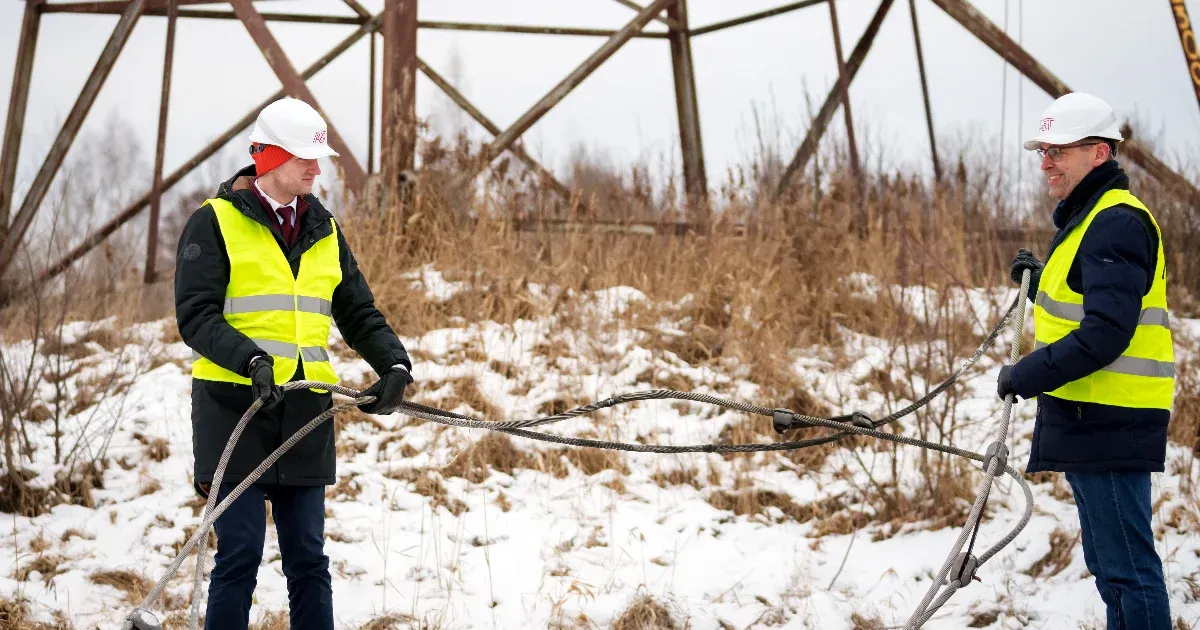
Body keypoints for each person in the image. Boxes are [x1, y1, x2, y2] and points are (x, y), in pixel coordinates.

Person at [174, 97, 415, 630]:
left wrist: (394, 366)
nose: (317, 167)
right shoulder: (211, 224)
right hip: (233, 409)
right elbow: (195, 316)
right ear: (268, 158)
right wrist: (250, 360)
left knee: (308, 557)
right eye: (306, 156)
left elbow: (357, 311)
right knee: (238, 555)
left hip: (305, 409)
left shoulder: (324, 229)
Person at [999, 93, 1173, 629]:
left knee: (1127, 572)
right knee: (1111, 568)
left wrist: (1025, 375)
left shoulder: (1115, 221)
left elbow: (1105, 334)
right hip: (1092, 418)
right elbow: (1088, 309)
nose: (1046, 161)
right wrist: (1037, 285)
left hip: (1110, 422)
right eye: (1043, 151)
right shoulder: (1090, 219)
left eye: (1058, 150)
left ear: (1099, 153)